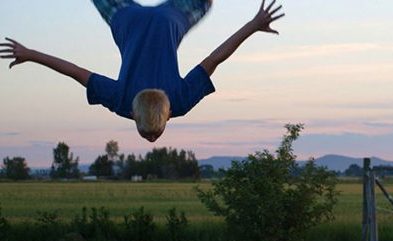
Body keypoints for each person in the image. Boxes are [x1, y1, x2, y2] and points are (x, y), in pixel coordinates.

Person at [0, 0, 284, 142]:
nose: (150, 140)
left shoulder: (180, 101)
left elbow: (215, 59)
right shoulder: (121, 101)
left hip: (170, 20)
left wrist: (253, 25)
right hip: (126, 19)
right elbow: (76, 71)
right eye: (153, 134)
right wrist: (30, 54)